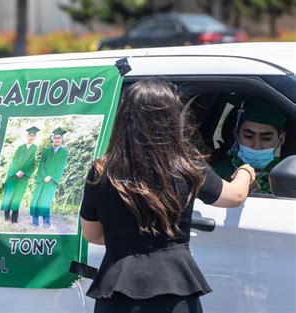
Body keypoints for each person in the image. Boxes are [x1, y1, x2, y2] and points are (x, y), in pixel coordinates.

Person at [80, 78, 256, 313]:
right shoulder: (187, 167)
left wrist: (128, 235)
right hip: (176, 289)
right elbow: (234, 197)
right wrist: (245, 171)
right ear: (171, 119)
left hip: (117, 290)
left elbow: (92, 234)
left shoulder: (102, 172)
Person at [212, 99, 286, 194]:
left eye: (266, 138)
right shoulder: (217, 173)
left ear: (280, 140)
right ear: (236, 134)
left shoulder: (286, 177)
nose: (256, 146)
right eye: (248, 136)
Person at [29, 127, 69, 228]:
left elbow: (61, 167)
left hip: (52, 181)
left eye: (59, 138)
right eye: (55, 137)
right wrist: (44, 176)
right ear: (52, 138)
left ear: (61, 139)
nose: (57, 139)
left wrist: (50, 177)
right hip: (42, 179)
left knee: (46, 201)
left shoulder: (64, 152)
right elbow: (41, 165)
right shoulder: (46, 151)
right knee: (36, 200)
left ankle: (46, 222)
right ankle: (35, 222)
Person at [0, 126, 40, 224]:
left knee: (17, 198)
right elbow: (14, 161)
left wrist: (24, 172)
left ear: (35, 137)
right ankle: (6, 218)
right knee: (9, 196)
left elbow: (32, 163)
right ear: (27, 136)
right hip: (13, 175)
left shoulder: (35, 148)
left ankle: (14, 221)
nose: (31, 137)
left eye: (33, 136)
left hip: (23, 177)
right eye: (30, 135)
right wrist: (16, 171)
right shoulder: (20, 148)